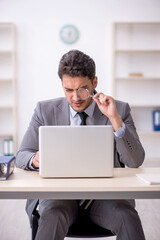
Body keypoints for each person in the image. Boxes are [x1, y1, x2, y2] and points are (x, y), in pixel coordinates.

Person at [16, 49, 146, 240]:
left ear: (94, 82)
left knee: (127, 216)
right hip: (58, 195)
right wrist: (35, 160)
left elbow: (135, 161)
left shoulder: (119, 109)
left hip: (104, 197)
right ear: (61, 84)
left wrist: (114, 119)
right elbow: (22, 155)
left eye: (82, 89)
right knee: (52, 214)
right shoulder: (44, 110)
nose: (75, 97)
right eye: (68, 90)